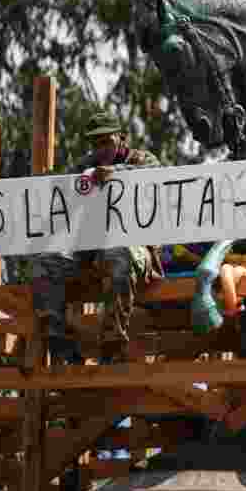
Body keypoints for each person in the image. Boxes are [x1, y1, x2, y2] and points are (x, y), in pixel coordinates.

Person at [31, 110, 163, 365]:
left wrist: (116, 173)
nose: (100, 149)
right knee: (45, 262)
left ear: (121, 138)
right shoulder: (84, 167)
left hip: (135, 249)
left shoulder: (143, 160)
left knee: (118, 253)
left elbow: (159, 177)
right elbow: (63, 191)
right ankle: (59, 342)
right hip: (90, 249)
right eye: (95, 144)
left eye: (106, 142)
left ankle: (113, 345)